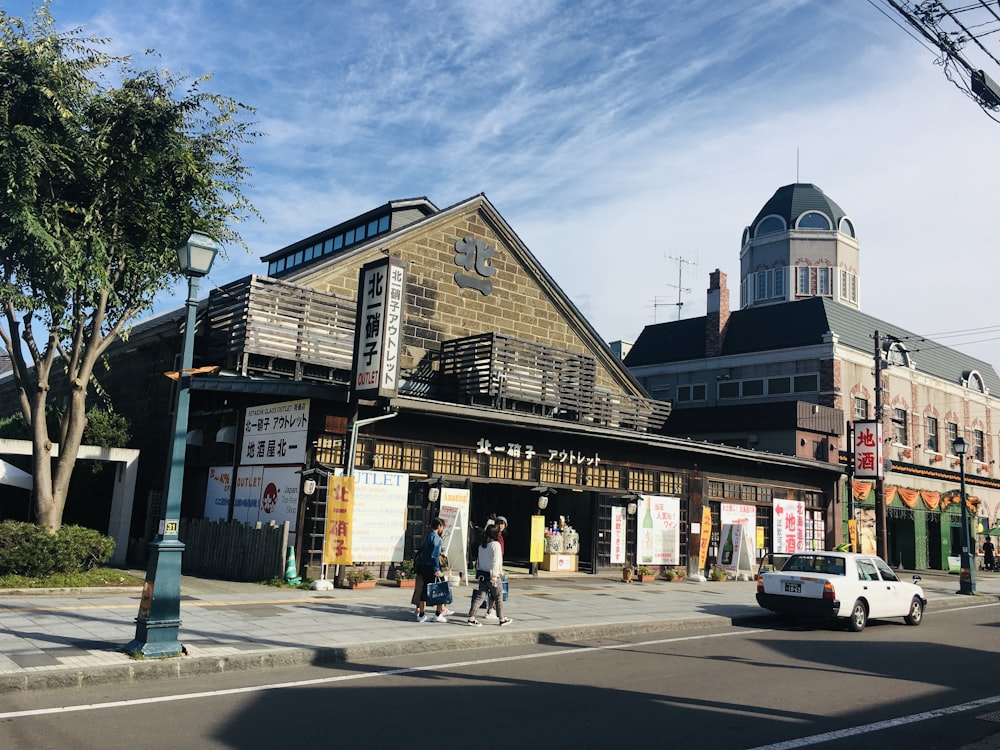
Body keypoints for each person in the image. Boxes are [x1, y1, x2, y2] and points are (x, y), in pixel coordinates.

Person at [466, 524, 512, 626]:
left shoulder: (482, 545)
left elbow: (479, 561)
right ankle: (501, 619)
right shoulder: (496, 545)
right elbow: (496, 561)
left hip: (483, 574)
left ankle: (472, 617)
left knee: (480, 597)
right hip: (492, 576)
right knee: (498, 597)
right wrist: (495, 576)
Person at [415, 517, 452, 623]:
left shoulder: (427, 535)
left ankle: (421, 614)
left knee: (424, 589)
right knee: (441, 589)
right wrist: (437, 569)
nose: (443, 530)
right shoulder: (436, 538)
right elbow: (435, 555)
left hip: (424, 566)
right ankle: (438, 614)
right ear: (439, 526)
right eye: (442, 527)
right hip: (433, 567)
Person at [483, 515, 507, 620]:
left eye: (502, 524)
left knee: (489, 593)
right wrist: (496, 573)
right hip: (493, 570)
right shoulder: (494, 536)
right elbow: (495, 557)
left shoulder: (500, 536)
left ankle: (489, 610)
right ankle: (498, 616)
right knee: (496, 593)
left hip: (495, 568)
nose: (500, 526)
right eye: (499, 523)